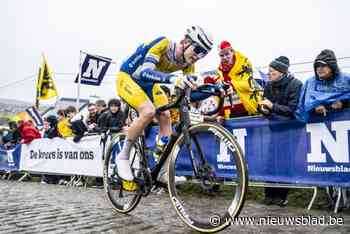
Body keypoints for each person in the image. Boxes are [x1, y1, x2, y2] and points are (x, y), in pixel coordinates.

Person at [115, 26, 214, 181]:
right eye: (198, 49)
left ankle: (162, 171)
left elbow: (191, 94)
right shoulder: (164, 44)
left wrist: (213, 90)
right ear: (185, 42)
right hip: (128, 78)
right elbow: (144, 72)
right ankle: (123, 156)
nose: (199, 56)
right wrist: (172, 79)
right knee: (148, 112)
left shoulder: (188, 64)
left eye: (204, 54)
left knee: (166, 116)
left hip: (150, 85)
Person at [259, 56, 302, 207]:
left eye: (272, 71)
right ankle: (268, 195)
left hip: (291, 131)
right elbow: (265, 104)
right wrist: (263, 109)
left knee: (286, 163)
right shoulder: (269, 85)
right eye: (268, 71)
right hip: (274, 130)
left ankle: (282, 197)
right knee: (270, 163)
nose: (269, 74)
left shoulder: (296, 84)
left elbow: (293, 109)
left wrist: (272, 107)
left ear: (282, 72)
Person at [204, 40, 263, 118]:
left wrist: (232, 84)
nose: (225, 57)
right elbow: (222, 90)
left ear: (232, 51)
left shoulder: (245, 64)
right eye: (222, 55)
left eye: (227, 54)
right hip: (232, 111)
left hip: (249, 107)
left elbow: (250, 84)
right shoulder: (220, 70)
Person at [295, 49, 350, 122]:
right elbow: (303, 106)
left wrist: (343, 103)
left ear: (332, 67)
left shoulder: (346, 79)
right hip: (318, 128)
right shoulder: (310, 83)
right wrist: (314, 106)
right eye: (317, 66)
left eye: (323, 65)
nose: (319, 69)